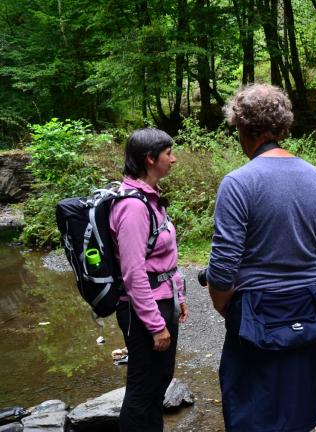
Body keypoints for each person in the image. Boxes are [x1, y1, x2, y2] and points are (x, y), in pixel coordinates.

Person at [203, 83, 316, 432]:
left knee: (253, 414)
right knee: (299, 410)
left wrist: (226, 306)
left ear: (242, 126)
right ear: (282, 125)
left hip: (256, 315)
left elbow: (222, 269)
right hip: (307, 307)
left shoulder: (238, 182)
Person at [110, 128, 189, 431]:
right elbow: (133, 273)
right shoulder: (132, 206)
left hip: (162, 301)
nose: (174, 159)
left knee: (159, 382)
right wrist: (156, 325)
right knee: (142, 389)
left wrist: (178, 297)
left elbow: (163, 258)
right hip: (144, 311)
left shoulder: (151, 199)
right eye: (169, 153)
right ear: (150, 158)